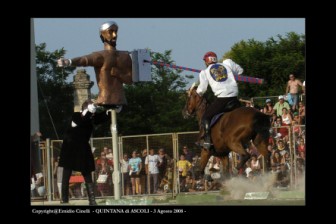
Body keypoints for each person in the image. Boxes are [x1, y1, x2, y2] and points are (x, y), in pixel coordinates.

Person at [57, 21, 132, 107]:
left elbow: (129, 80)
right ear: (102, 35)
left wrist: (118, 73)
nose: (114, 35)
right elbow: (84, 60)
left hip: (120, 99)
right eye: (110, 32)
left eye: (116, 31)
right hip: (105, 98)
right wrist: (69, 62)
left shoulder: (124, 56)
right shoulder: (101, 56)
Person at [59, 99, 110, 205]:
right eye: (91, 110)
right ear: (86, 109)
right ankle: (64, 200)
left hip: (82, 148)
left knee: (87, 173)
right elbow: (82, 120)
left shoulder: (91, 118)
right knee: (66, 174)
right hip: (70, 148)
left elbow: (99, 118)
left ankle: (92, 200)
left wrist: (109, 111)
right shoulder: (76, 116)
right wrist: (89, 111)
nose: (93, 113)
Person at [194, 52, 243, 149]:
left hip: (222, 99)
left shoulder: (204, 72)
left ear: (206, 61)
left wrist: (196, 92)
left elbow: (202, 89)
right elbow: (240, 71)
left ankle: (208, 141)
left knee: (205, 117)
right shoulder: (227, 64)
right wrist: (233, 76)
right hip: (234, 97)